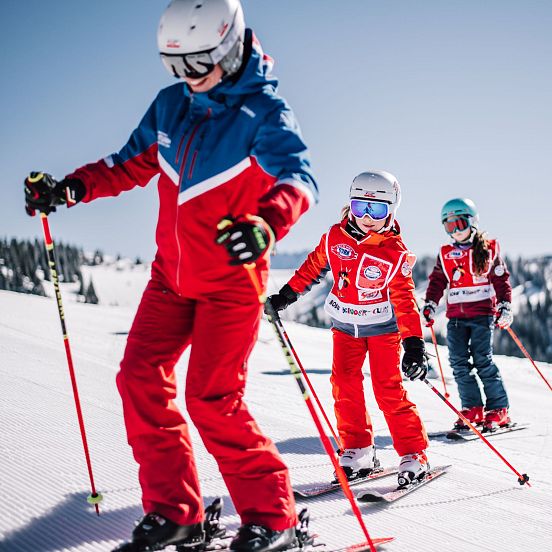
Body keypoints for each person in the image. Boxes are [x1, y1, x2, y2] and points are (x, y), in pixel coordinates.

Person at [23, 1, 318, 551]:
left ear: (231, 46)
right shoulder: (170, 106)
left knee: (212, 397)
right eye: (174, 64)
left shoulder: (262, 111)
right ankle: (175, 510)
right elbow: (128, 164)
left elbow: (300, 178)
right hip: (170, 278)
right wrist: (69, 187)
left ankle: (272, 517)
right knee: (138, 377)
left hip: (231, 281)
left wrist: (266, 224)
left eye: (199, 62)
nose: (188, 77)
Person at [267, 171, 430, 487]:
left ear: (392, 210)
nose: (368, 218)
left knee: (388, 390)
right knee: (344, 385)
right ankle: (358, 450)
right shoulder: (334, 238)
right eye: (360, 208)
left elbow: (405, 299)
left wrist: (413, 344)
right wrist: (286, 295)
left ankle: (414, 453)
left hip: (383, 330)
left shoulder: (394, 251)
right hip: (345, 327)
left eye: (378, 210)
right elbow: (312, 267)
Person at [422, 198, 513, 431]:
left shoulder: (488, 248)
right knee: (459, 363)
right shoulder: (446, 254)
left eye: (459, 224)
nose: (455, 231)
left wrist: (504, 305)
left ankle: (498, 409)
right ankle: (472, 407)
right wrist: (431, 303)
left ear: (471, 222)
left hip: (481, 315)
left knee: (483, 360)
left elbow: (501, 280)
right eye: (449, 226)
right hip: (455, 318)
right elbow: (437, 281)